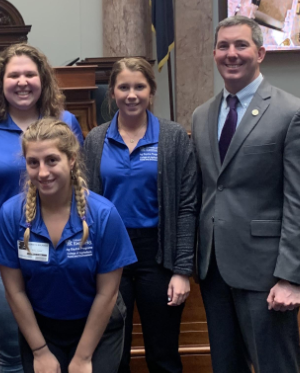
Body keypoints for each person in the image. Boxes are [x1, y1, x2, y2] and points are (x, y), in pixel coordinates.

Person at [191, 15, 300, 373]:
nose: (231, 53)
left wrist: (292, 277)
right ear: (215, 53)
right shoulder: (202, 116)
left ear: (261, 52)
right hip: (214, 270)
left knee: (274, 366)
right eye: (223, 46)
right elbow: (209, 189)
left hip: (267, 274)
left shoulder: (292, 113)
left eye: (241, 45)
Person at [0, 43, 84, 373]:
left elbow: (80, 183)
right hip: (3, 253)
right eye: (13, 74)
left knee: (60, 346)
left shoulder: (65, 121)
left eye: (30, 74)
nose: (22, 81)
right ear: (0, 82)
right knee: (12, 351)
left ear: (42, 79)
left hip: (60, 247)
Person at [0, 117, 137, 373]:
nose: (42, 172)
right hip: (41, 329)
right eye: (33, 163)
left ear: (71, 159)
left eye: (51, 160)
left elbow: (107, 293)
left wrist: (82, 358)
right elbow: (15, 291)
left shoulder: (103, 215)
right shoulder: (11, 215)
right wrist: (39, 351)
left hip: (98, 327)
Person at [83, 57, 197, 373]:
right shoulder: (95, 140)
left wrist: (182, 269)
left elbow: (187, 208)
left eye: (139, 86)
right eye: (123, 87)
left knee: (162, 355)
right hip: (110, 256)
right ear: (112, 92)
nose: (131, 94)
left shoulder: (174, 138)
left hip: (157, 255)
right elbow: (85, 206)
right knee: (111, 355)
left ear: (151, 91)